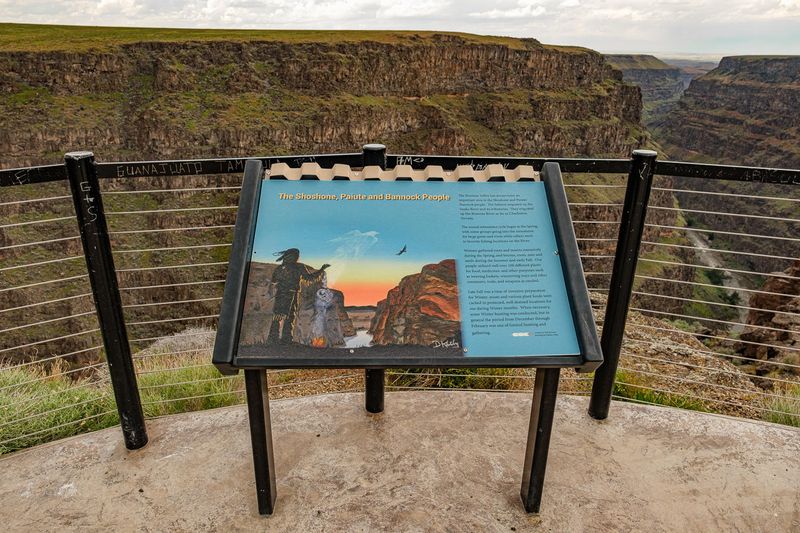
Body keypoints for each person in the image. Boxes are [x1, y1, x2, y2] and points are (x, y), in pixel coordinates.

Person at [266, 248, 330, 344]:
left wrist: (321, 270)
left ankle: (276, 338)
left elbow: (274, 282)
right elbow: (309, 278)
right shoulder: (298, 267)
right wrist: (321, 270)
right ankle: (284, 339)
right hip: (290, 294)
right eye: (296, 256)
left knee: (280, 316)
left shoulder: (280, 268)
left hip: (282, 294)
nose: (297, 257)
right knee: (287, 316)